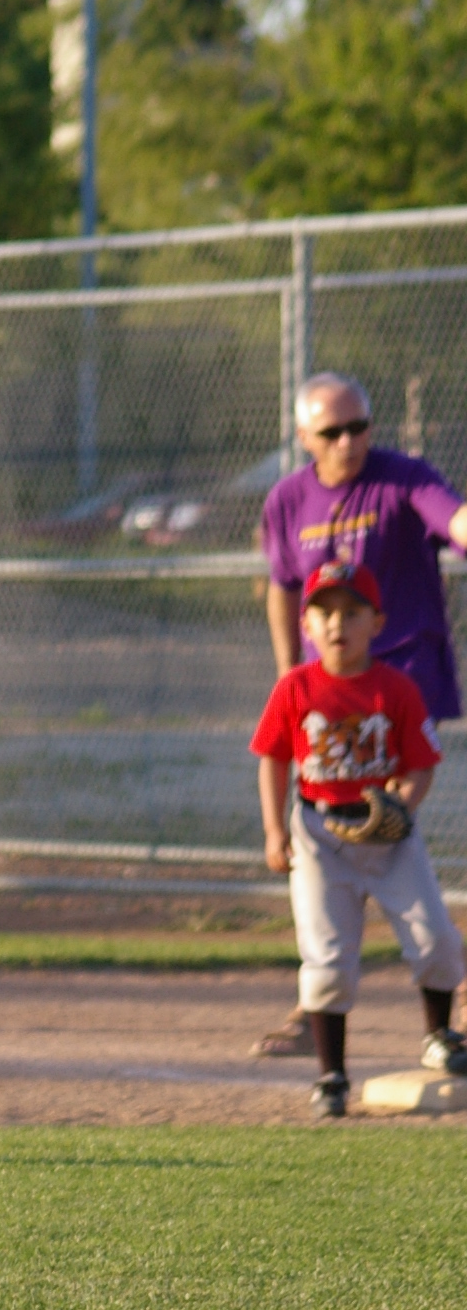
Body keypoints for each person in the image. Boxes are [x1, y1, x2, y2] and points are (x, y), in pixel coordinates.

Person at [253, 374, 467, 1057]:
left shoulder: (402, 477)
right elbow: (285, 587)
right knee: (341, 826)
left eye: (360, 426)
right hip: (330, 686)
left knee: (391, 817)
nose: (350, 441)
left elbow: (455, 520)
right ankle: (324, 992)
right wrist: (289, 671)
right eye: (332, 432)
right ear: (304, 438)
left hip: (402, 674)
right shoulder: (288, 500)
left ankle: (436, 994)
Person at [252, 558, 467, 1119]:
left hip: (390, 836)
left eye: (352, 612)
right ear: (306, 625)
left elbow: (421, 765)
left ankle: (439, 1035)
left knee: (437, 940)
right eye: (323, 612)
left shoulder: (395, 688)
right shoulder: (295, 687)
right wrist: (274, 830)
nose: (337, 623)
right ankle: (332, 1076)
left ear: (378, 623)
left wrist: (401, 806)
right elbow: (273, 758)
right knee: (327, 959)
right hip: (319, 834)